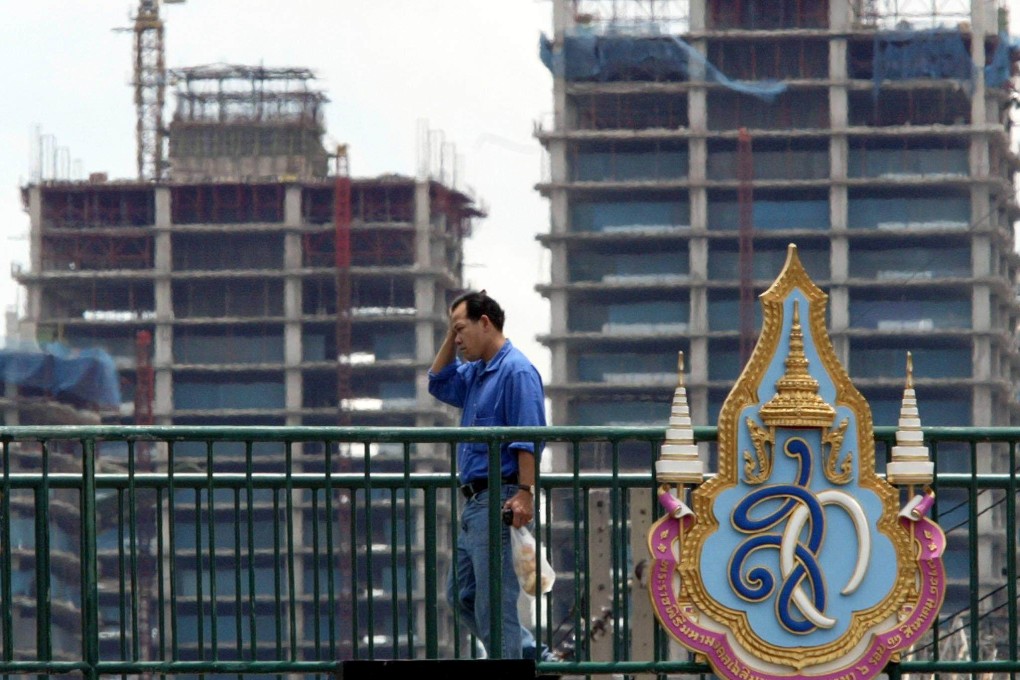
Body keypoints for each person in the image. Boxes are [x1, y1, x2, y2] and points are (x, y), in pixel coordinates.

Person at [428, 290, 550, 660]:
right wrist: (453, 332)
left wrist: (526, 492)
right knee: (462, 595)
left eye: (462, 329)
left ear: (486, 323)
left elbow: (527, 438)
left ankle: (513, 658)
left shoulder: (516, 371)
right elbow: (437, 380)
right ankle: (527, 651)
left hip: (500, 497)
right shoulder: (477, 372)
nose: (458, 340)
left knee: (493, 604)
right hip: (475, 503)